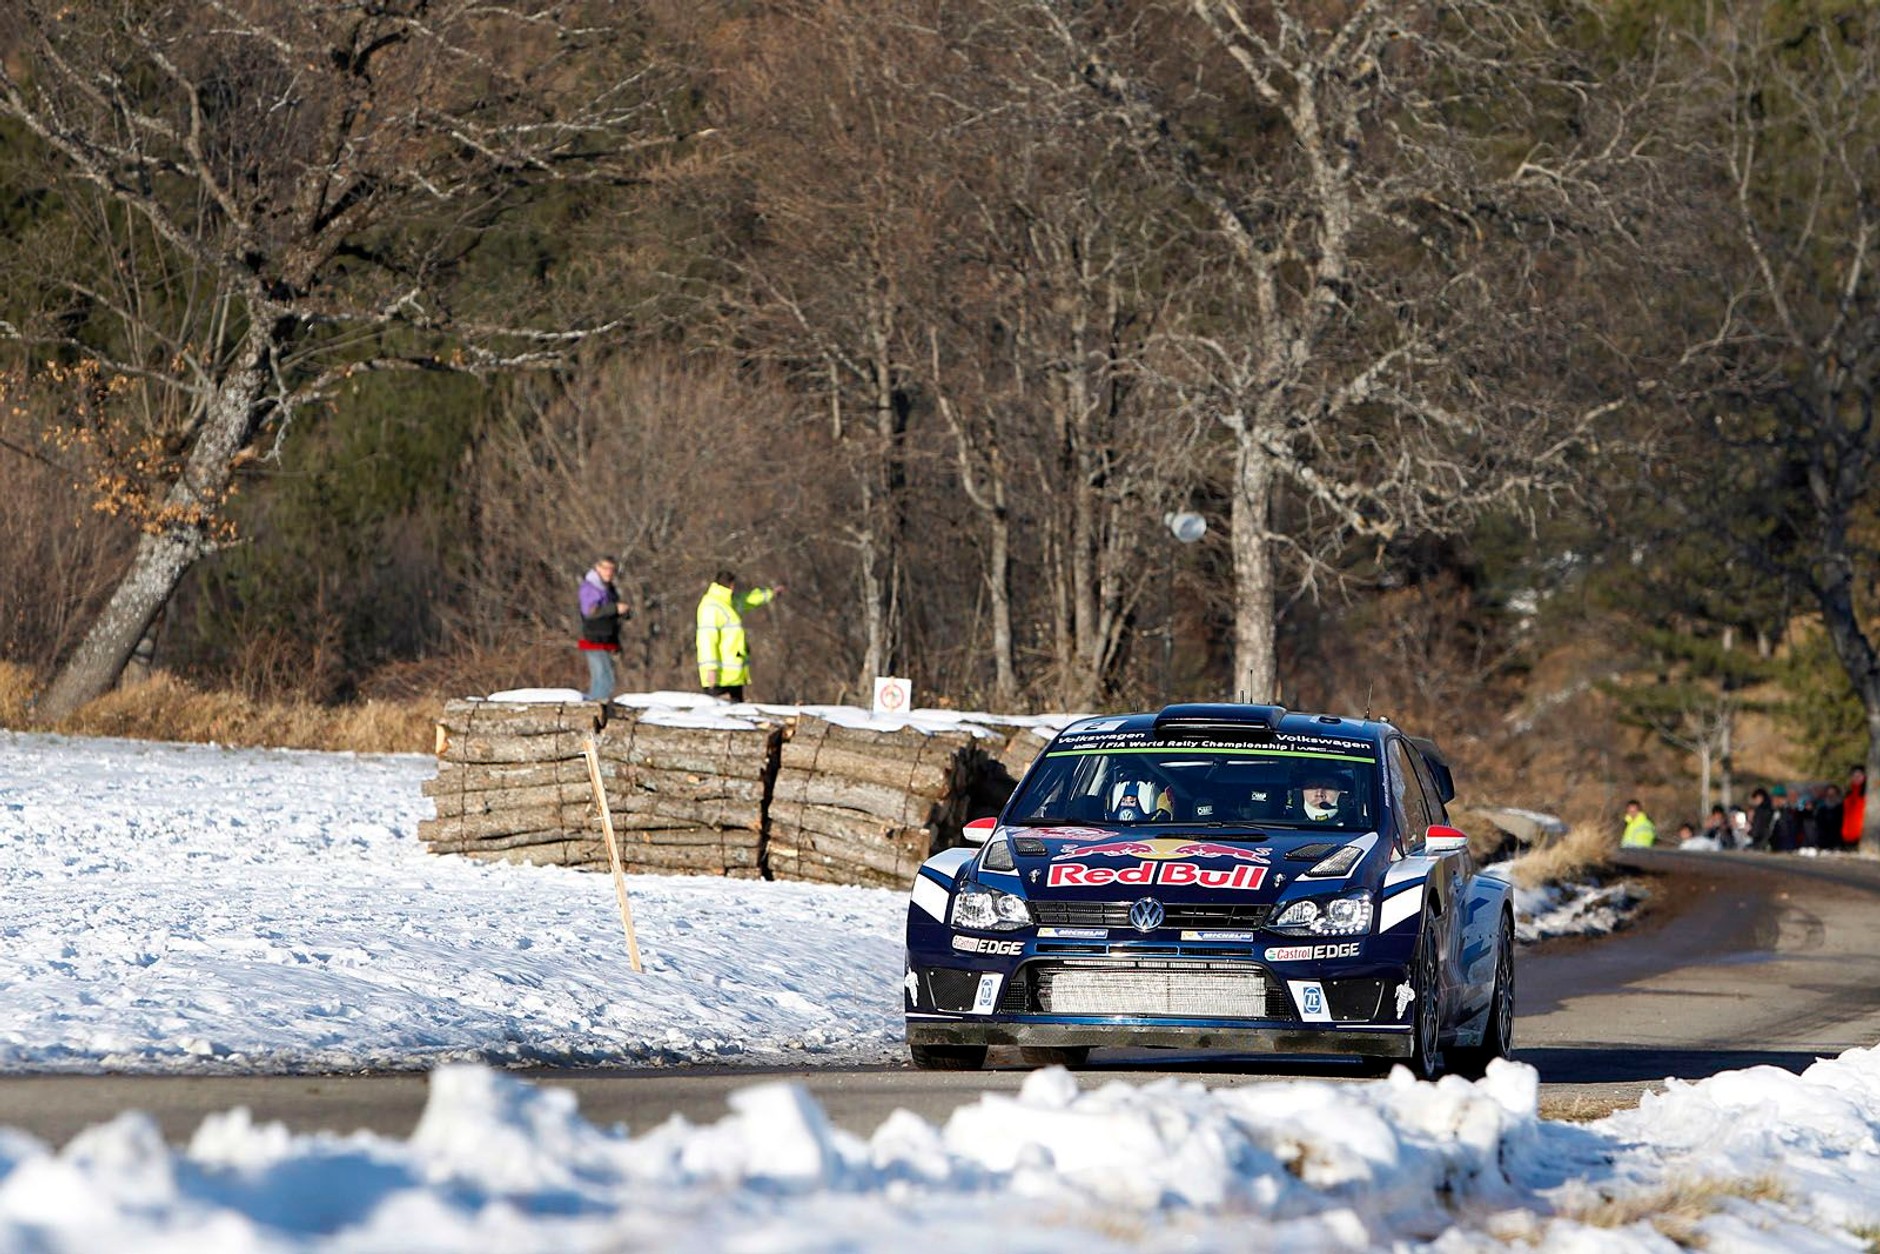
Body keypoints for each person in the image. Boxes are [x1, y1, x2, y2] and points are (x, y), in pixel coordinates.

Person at [695, 568, 780, 702]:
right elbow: (707, 641)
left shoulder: (729, 602)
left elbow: (748, 599)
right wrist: (710, 669)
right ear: (731, 585)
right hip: (718, 679)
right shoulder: (711, 607)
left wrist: (770, 594)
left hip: (733, 677)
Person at [576, 556, 630, 702]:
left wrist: (622, 612)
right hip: (594, 638)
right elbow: (590, 612)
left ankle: (597, 707)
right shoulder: (590, 587)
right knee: (603, 679)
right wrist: (614, 608)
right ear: (597, 568)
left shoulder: (608, 588)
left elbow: (610, 614)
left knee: (607, 679)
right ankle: (595, 709)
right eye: (605, 568)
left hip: (607, 639)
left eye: (612, 569)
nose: (609, 572)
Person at [1768, 785, 1803, 852]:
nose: (1773, 801)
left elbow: (1786, 833)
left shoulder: (1788, 813)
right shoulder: (1773, 812)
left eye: (1775, 798)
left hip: (1784, 849)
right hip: (1775, 848)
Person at [1842, 765, 1867, 850]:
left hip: (1863, 836)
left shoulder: (1868, 793)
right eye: (1853, 776)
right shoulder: (1848, 794)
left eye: (1859, 776)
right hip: (1848, 837)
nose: (1856, 778)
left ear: (1864, 777)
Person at [1745, 787, 1774, 852]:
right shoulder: (1770, 810)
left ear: (1760, 797)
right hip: (1767, 843)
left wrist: (1749, 832)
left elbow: (1757, 830)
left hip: (1758, 844)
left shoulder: (1760, 811)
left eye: (1755, 799)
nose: (1754, 801)